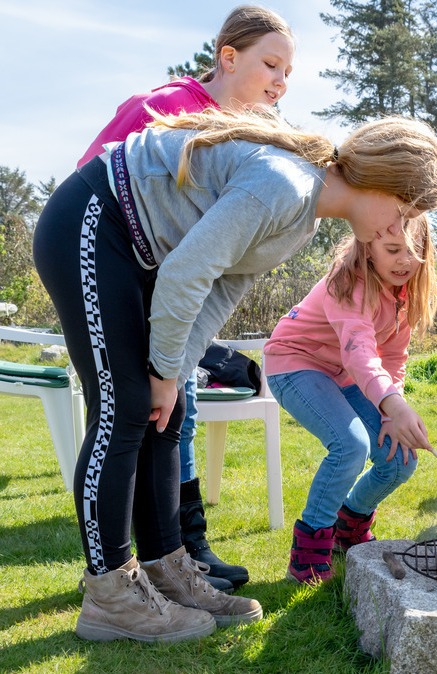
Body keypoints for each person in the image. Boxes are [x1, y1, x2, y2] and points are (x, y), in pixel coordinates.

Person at [33, 108, 437, 642]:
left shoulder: (306, 216)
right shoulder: (285, 186)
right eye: (402, 210)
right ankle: (109, 592)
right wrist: (159, 371)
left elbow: (220, 289)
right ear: (379, 182)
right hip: (91, 223)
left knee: (168, 407)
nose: (398, 228)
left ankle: (166, 568)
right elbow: (187, 271)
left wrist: (174, 373)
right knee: (124, 407)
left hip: (133, 252)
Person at [76, 4, 295, 593]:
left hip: (171, 289)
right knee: (145, 410)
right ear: (228, 57)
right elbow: (99, 180)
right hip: (127, 274)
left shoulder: (249, 138)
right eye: (269, 64)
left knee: (178, 407)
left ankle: (177, 549)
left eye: (288, 74)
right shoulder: (171, 107)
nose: (280, 81)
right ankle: (153, 557)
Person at [263, 215, 437, 584]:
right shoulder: (346, 282)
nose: (405, 261)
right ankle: (308, 552)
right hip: (295, 363)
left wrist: (392, 410)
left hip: (346, 374)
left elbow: (392, 357)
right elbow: (359, 352)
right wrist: (393, 405)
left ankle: (349, 525)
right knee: (350, 445)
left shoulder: (403, 293)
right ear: (367, 247)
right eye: (393, 250)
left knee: (399, 459)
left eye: (414, 251)